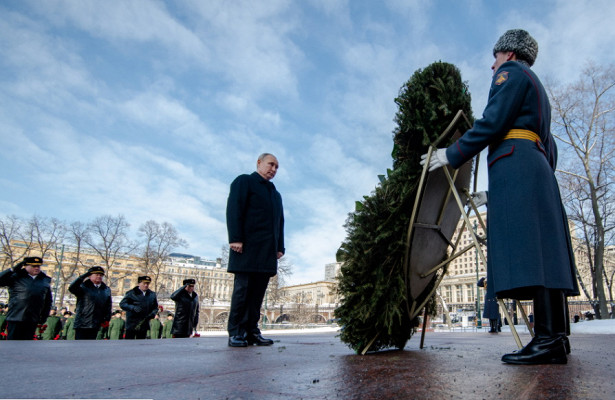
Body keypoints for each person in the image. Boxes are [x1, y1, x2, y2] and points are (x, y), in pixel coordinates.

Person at [421, 29, 578, 365]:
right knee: (544, 253)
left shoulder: (512, 73)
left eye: (495, 58)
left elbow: (493, 121)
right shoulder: (537, 88)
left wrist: (452, 154)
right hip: (535, 165)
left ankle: (548, 339)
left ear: (508, 53)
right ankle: (556, 337)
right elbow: (550, 147)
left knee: (533, 254)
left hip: (516, 163)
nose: (493, 67)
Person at [226, 153, 285, 347]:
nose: (274, 169)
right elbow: (235, 208)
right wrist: (235, 238)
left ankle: (252, 330)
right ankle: (236, 332)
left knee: (258, 293)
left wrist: (279, 247)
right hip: (246, 246)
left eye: (277, 167)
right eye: (271, 164)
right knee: (243, 291)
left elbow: (280, 222)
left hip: (267, 251)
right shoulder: (244, 181)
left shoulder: (275, 194)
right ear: (259, 163)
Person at [0, 257, 53, 340]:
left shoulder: (44, 280)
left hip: (32, 318)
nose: (36, 268)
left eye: (38, 266)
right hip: (16, 316)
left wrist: (44, 315)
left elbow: (47, 300)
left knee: (27, 346)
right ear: (25, 266)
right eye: (33, 266)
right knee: (13, 344)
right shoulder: (17, 276)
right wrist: (12, 270)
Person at [69, 266, 112, 340]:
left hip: (96, 323)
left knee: (91, 346)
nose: (99, 277)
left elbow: (108, 305)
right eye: (96, 275)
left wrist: (106, 318)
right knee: (79, 346)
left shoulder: (106, 290)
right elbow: (72, 288)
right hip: (82, 322)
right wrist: (81, 277)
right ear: (89, 276)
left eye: (101, 275)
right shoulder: (83, 287)